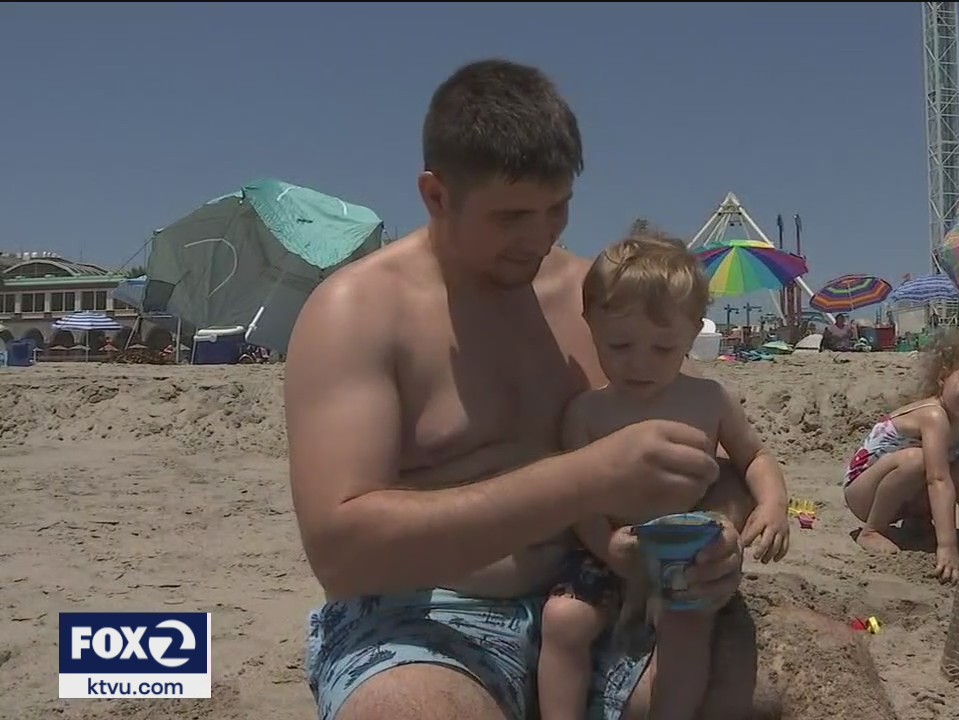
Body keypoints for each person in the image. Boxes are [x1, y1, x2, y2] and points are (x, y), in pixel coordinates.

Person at [284, 58, 761, 720]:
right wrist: (583, 479)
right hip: (427, 616)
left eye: (557, 209)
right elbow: (342, 553)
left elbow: (709, 451)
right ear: (436, 195)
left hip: (601, 594)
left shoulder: (603, 301)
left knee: (730, 664)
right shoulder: (360, 311)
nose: (539, 238)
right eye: (511, 216)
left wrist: (723, 528)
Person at [537, 236, 791, 720]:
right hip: (608, 548)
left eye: (662, 347)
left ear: (694, 331)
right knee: (563, 619)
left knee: (686, 627)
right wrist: (606, 545)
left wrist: (773, 503)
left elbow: (754, 455)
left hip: (685, 552)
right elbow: (577, 499)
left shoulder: (708, 399)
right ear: (590, 325)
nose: (640, 362)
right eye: (620, 345)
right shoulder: (587, 411)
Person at [841, 326, 959, 582]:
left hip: (899, 493)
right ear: (945, 376)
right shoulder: (934, 415)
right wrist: (947, 546)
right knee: (919, 461)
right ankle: (872, 530)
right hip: (864, 493)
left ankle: (918, 522)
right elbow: (938, 480)